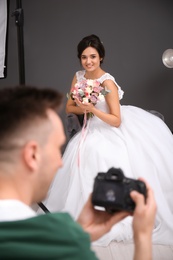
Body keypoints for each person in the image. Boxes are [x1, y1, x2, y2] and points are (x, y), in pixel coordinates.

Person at [41, 34, 173, 247]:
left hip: (111, 126)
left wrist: (92, 109)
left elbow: (116, 120)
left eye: (93, 56)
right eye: (84, 57)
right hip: (91, 126)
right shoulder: (78, 77)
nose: (88, 62)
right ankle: (83, 211)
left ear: (101, 57)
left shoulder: (107, 81)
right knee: (81, 154)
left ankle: (110, 212)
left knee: (100, 153)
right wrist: (83, 108)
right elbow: (69, 107)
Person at [0, 85, 156, 260]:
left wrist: (78, 233)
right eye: (57, 148)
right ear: (32, 155)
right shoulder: (60, 248)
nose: (61, 162)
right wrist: (143, 237)